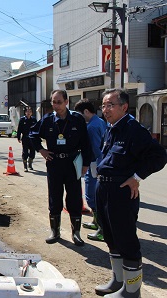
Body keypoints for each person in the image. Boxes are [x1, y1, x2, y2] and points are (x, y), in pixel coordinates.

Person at [94, 89, 167, 297]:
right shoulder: (111, 128)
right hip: (104, 188)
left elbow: (159, 156)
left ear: (124, 107)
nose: (105, 110)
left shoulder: (133, 129)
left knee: (126, 239)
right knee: (110, 236)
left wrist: (137, 177)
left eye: (110, 105)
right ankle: (118, 281)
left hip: (121, 192)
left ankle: (132, 290)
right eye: (104, 105)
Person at [29, 89, 91, 246]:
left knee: (75, 198)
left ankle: (76, 233)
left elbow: (85, 143)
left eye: (59, 102)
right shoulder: (47, 120)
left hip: (72, 164)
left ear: (66, 102)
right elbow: (32, 134)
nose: (56, 105)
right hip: (54, 163)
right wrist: (41, 150)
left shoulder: (77, 119)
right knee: (55, 197)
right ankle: (55, 231)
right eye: (53, 102)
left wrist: (85, 164)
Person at [74, 99, 107, 242]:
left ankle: (102, 229)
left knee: (92, 196)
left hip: (95, 164)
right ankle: (95, 222)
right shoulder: (100, 121)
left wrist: (92, 165)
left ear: (86, 112)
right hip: (101, 162)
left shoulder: (91, 127)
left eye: (80, 115)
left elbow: (94, 149)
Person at [16, 107, 37, 172]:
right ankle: (25, 166)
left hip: (32, 138)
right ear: (25, 112)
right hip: (25, 138)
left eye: (30, 111)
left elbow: (37, 129)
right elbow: (19, 129)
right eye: (27, 111)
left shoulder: (33, 119)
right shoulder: (22, 119)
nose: (28, 113)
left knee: (32, 152)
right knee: (25, 152)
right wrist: (18, 137)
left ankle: (30, 164)